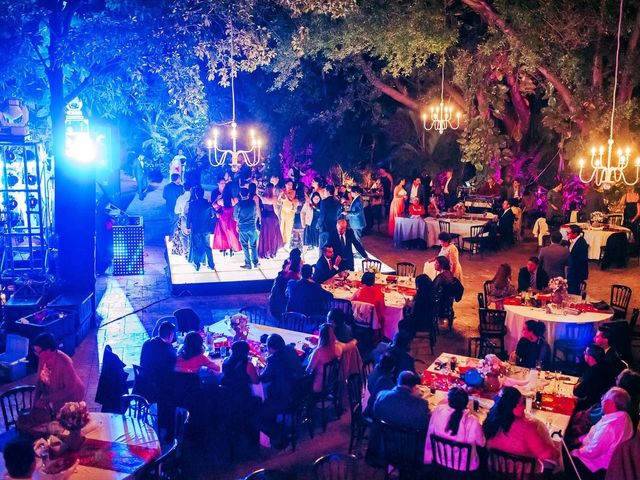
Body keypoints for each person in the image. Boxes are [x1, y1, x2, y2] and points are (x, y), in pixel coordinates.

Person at [17, 333, 85, 431]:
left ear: (48, 350)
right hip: (56, 394)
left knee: (67, 424)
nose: (36, 355)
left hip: (71, 396)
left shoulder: (65, 363)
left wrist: (47, 399)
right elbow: (40, 381)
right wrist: (35, 402)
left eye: (37, 352)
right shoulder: (43, 358)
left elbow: (70, 388)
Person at [483, 386, 558, 470]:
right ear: (513, 406)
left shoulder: (489, 421)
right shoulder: (527, 428)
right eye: (522, 403)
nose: (524, 407)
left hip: (495, 471)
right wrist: (556, 451)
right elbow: (546, 455)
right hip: (522, 475)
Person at [571, 387, 634, 480]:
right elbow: (596, 437)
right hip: (608, 463)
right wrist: (579, 440)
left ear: (611, 404)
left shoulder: (610, 427)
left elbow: (592, 452)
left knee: (560, 457)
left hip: (593, 467)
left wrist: (575, 452)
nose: (602, 400)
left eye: (604, 398)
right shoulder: (625, 418)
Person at [423, 387, 485, 470]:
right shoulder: (473, 421)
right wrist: (473, 413)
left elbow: (429, 434)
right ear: (466, 403)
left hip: (439, 460)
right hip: (464, 467)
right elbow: (482, 443)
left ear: (448, 400)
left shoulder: (438, 411)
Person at [259, 334, 303, 445]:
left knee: (260, 404)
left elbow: (264, 378)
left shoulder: (273, 359)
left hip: (285, 397)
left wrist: (259, 369)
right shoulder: (290, 349)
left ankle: (274, 434)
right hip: (299, 391)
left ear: (271, 348)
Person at [139, 321, 177, 403]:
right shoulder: (167, 349)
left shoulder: (147, 343)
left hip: (143, 381)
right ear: (170, 335)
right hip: (158, 386)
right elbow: (175, 364)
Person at [574, 345, 617, 412]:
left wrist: (577, 386)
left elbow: (578, 392)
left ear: (590, 358)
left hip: (594, 407)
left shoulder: (593, 371)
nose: (584, 354)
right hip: (605, 402)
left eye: (585, 353)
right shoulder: (606, 365)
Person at [186, 186, 215, 271]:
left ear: (196, 194)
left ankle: (197, 264)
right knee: (207, 246)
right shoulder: (208, 204)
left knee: (196, 246)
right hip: (206, 228)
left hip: (196, 228)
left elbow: (189, 216)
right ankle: (211, 264)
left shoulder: (192, 204)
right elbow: (212, 215)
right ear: (203, 194)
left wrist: (188, 226)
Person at [306, 323, 340, 392]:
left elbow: (308, 370)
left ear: (321, 336)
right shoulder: (335, 348)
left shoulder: (318, 352)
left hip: (317, 386)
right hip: (328, 384)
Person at [234, 187, 260, 269]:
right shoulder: (253, 203)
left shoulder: (238, 205)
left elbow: (235, 217)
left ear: (240, 195)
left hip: (243, 227)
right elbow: (255, 214)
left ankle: (248, 263)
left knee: (244, 245)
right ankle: (255, 262)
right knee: (253, 245)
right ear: (248, 194)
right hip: (252, 227)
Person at [213, 185, 242, 255]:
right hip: (232, 218)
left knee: (224, 233)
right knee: (232, 233)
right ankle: (233, 247)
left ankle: (225, 247)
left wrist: (217, 199)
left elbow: (214, 205)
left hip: (223, 218)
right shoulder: (234, 199)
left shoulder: (221, 200)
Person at [258, 184, 284, 259]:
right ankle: (272, 251)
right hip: (272, 217)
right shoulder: (274, 198)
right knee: (273, 235)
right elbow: (275, 209)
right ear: (272, 189)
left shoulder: (263, 197)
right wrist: (278, 217)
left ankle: (265, 251)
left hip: (265, 217)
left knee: (265, 235)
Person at [432, 256, 457, 325]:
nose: (434, 264)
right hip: (446, 301)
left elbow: (433, 289)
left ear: (441, 265)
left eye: (436, 263)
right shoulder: (449, 273)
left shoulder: (441, 277)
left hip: (440, 303)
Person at [567, 224, 589, 295]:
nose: (567, 235)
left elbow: (580, 261)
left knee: (573, 292)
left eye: (568, 233)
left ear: (575, 234)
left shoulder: (581, 244)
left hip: (576, 273)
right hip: (573, 271)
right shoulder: (575, 240)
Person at [304, 178, 323, 248]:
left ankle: (316, 244)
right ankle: (311, 244)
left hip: (317, 211)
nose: (312, 182)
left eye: (313, 181)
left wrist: (316, 207)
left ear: (317, 183)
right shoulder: (313, 190)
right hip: (311, 210)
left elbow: (322, 201)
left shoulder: (320, 191)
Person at [278, 180, 297, 247]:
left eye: (291, 185)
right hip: (284, 210)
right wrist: (280, 195)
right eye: (289, 184)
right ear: (285, 184)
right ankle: (281, 240)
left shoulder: (293, 191)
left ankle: (287, 241)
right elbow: (279, 200)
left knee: (288, 226)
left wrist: (285, 194)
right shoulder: (282, 191)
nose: (290, 186)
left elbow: (290, 199)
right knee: (282, 225)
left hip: (290, 211)